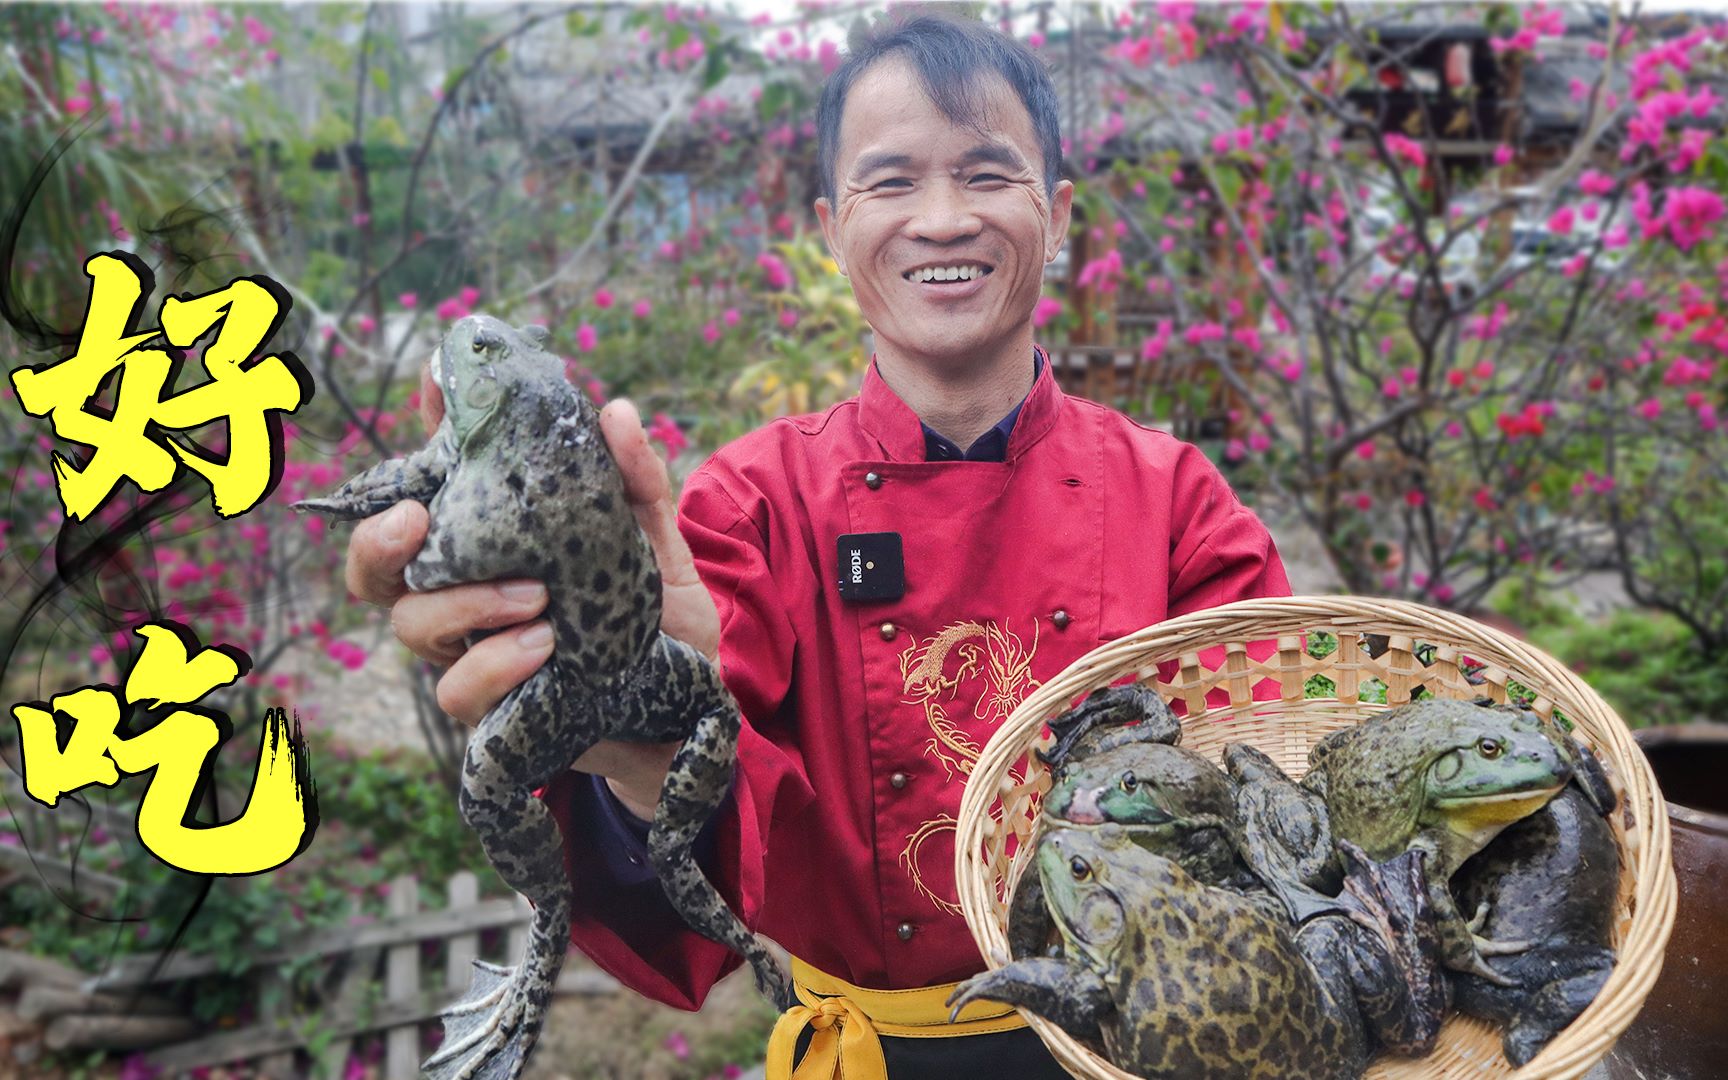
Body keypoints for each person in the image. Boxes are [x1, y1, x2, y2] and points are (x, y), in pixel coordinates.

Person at [344, 15, 1291, 1079]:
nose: (941, 220)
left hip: (1147, 1052)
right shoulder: (750, 507)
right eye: (891, 184)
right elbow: (695, 887)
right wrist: (625, 733)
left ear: (1057, 213)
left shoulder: (1176, 503)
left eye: (986, 175)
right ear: (833, 228)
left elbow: (1276, 804)